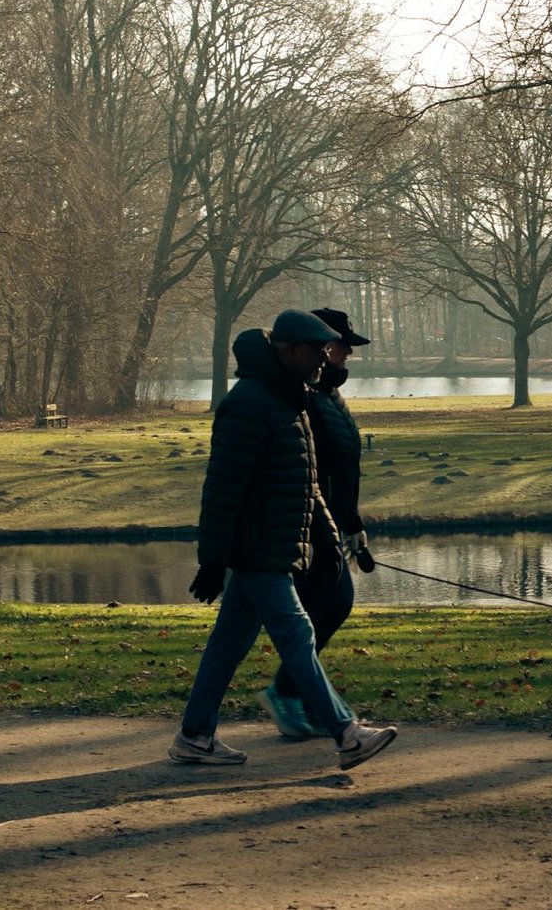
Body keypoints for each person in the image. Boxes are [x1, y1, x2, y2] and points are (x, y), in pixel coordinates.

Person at [169, 309, 398, 771]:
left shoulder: (290, 400)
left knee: (229, 643)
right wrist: (212, 561)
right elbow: (222, 489)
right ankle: (346, 733)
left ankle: (195, 735)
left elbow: (308, 485)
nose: (324, 360)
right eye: (316, 351)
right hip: (257, 549)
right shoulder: (249, 402)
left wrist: (329, 540)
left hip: (276, 546)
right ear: (289, 350)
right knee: (297, 634)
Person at [256, 307, 375, 739]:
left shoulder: (329, 395)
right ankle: (293, 696)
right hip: (309, 528)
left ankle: (300, 698)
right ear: (321, 346)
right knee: (328, 606)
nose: (347, 355)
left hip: (332, 525)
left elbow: (345, 467)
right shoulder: (305, 397)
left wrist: (353, 524)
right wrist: (322, 527)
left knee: (319, 611)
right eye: (343, 346)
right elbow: (308, 471)